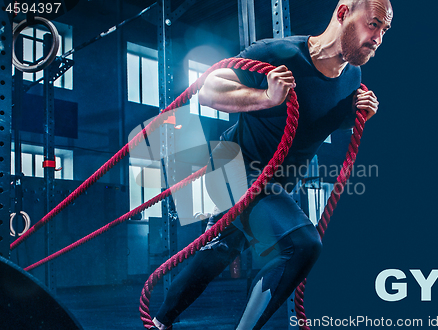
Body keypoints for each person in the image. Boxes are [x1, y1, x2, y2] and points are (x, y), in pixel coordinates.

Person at [152, 0, 392, 329]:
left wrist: (354, 113)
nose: (378, 37)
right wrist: (265, 97)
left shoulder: (353, 78)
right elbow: (208, 90)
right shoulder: (278, 53)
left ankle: (159, 321)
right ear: (343, 13)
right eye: (374, 23)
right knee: (302, 245)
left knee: (220, 250)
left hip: (275, 183)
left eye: (384, 30)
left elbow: (317, 116)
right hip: (232, 164)